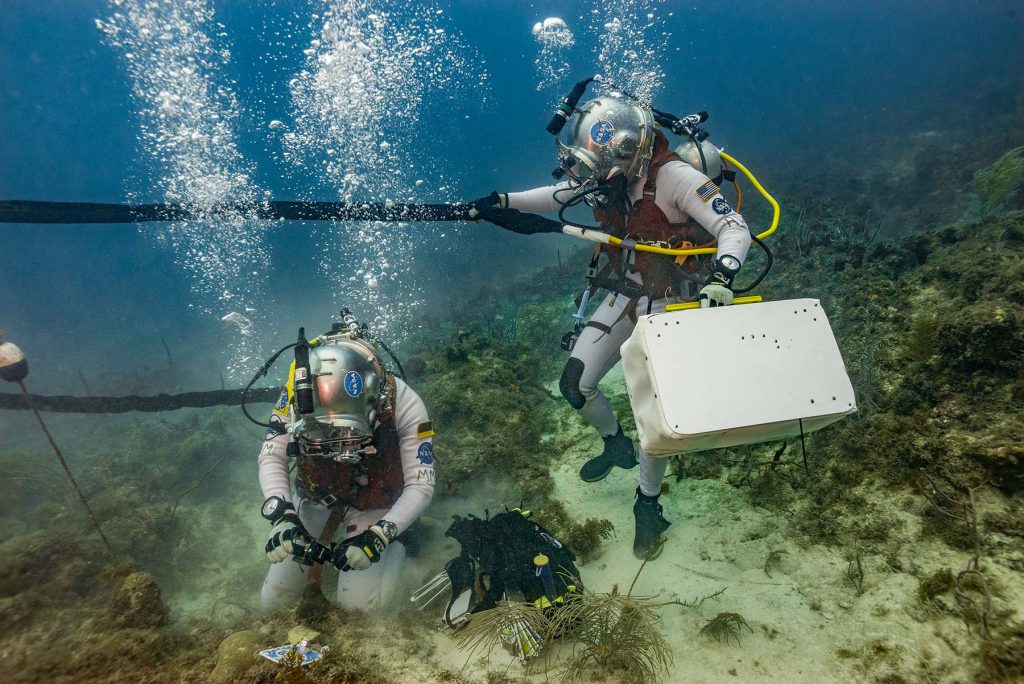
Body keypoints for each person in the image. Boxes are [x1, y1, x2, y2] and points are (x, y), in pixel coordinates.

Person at [471, 93, 751, 559]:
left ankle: (648, 504)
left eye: (595, 166)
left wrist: (721, 278)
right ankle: (615, 445)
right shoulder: (609, 177)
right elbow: (560, 195)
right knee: (574, 384)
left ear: (628, 150)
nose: (589, 179)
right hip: (628, 290)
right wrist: (501, 201)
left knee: (655, 417)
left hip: (673, 298)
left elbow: (734, 226)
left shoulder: (676, 178)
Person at [257, 316, 436, 612]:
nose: (336, 448)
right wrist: (283, 516)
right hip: (316, 497)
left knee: (360, 609)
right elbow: (271, 455)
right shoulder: (294, 394)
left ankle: (400, 545)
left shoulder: (402, 401)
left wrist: (380, 535)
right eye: (321, 432)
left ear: (374, 401)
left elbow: (422, 482)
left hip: (373, 504)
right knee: (273, 602)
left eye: (346, 432)